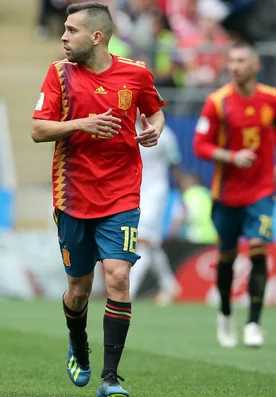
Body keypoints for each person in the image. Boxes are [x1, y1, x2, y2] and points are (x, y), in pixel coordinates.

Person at [31, 3, 165, 396]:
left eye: (71, 30)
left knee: (119, 278)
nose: (63, 37)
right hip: (73, 195)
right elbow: (38, 130)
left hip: (122, 193)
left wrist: (153, 130)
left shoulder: (136, 73)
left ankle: (110, 379)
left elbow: (155, 113)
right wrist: (82, 124)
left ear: (97, 36)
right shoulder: (59, 74)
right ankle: (77, 343)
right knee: (79, 290)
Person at [193, 41, 276, 348]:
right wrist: (231, 157)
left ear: (254, 66)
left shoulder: (273, 98)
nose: (234, 66)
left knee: (259, 246)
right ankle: (224, 315)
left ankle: (253, 323)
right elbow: (200, 146)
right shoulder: (217, 102)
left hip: (261, 190)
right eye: (231, 61)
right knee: (227, 257)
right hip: (227, 193)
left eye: (240, 61)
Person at [129, 120, 181, 305]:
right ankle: (170, 285)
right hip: (134, 190)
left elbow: (175, 165)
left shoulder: (165, 135)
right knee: (152, 242)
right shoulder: (127, 130)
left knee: (142, 239)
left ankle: (128, 291)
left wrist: (182, 198)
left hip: (155, 193)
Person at [169, 171, 218, 245]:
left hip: (197, 239)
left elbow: (179, 218)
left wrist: (171, 240)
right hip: (214, 238)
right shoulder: (208, 194)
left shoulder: (188, 195)